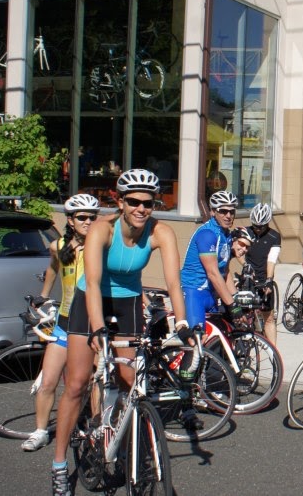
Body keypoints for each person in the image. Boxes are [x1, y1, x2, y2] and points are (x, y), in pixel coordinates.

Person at [50, 169, 193, 496]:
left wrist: (182, 324)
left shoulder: (162, 232)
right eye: (134, 202)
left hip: (127, 304)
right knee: (76, 384)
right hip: (92, 300)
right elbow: (96, 283)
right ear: (120, 201)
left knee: (130, 384)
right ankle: (59, 465)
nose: (142, 208)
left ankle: (127, 449)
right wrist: (99, 330)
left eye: (149, 203)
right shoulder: (102, 230)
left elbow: (174, 283)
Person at [21, 194, 101, 453]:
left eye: (92, 217)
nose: (88, 222)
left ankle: (97, 428)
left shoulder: (102, 246)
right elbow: (53, 269)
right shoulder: (58, 246)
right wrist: (44, 295)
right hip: (65, 322)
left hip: (91, 323)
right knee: (48, 381)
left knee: (94, 380)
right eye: (82, 217)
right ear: (70, 220)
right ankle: (41, 431)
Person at [180, 191, 240, 331]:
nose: (228, 216)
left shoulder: (226, 235)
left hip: (211, 294)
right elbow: (213, 273)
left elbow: (224, 271)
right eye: (223, 211)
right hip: (195, 292)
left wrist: (236, 298)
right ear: (213, 212)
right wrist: (232, 305)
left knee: (219, 340)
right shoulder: (207, 234)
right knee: (197, 342)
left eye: (232, 211)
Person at [242, 203, 281, 345]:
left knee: (269, 317)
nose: (257, 229)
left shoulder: (274, 236)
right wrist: (246, 267)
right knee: (242, 313)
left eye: (261, 226)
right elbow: (239, 252)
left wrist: (269, 279)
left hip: (264, 276)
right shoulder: (246, 232)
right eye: (255, 226)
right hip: (248, 275)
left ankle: (274, 353)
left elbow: (272, 259)